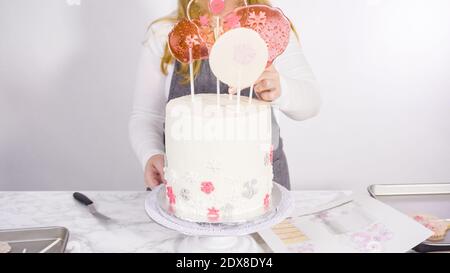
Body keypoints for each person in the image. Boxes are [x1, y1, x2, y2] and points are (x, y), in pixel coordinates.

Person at [129, 0, 321, 190]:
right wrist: (151, 153)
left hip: (262, 187)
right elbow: (146, 116)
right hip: (186, 186)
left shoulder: (268, 27)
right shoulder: (166, 33)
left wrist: (281, 89)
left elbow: (312, 102)